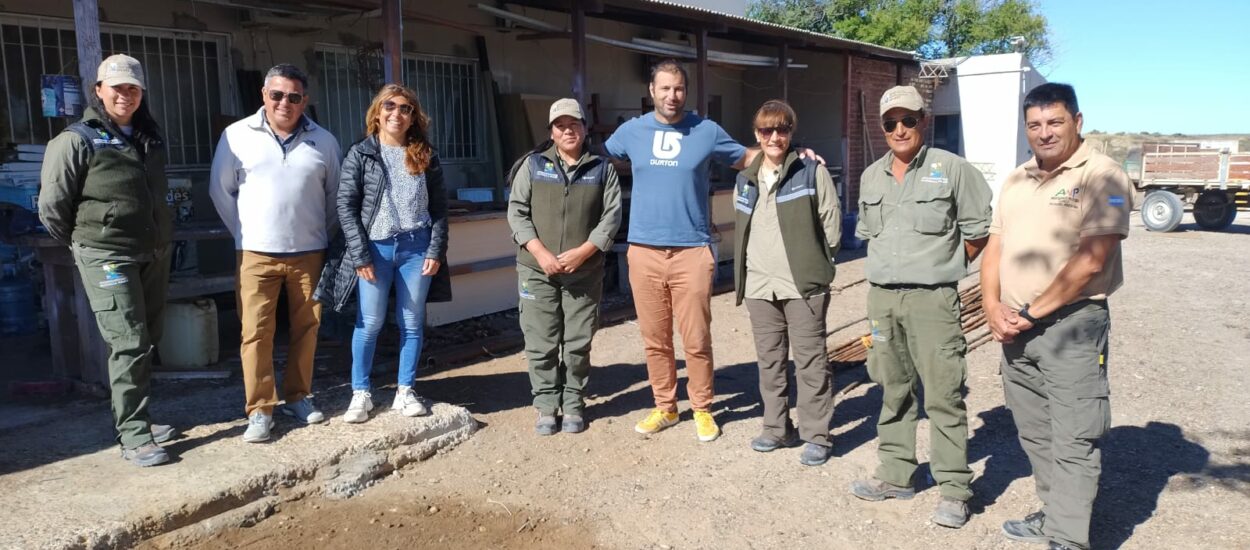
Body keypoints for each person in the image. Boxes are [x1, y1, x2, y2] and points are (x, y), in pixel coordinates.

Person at [983, 83, 1132, 550]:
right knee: (1035, 432)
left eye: (1055, 122)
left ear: (1077, 121)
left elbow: (1091, 259)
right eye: (1035, 125)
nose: (1044, 133)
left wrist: (1030, 311)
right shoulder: (1016, 179)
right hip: (1015, 330)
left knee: (1073, 436)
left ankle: (1068, 538)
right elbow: (994, 246)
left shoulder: (1102, 176)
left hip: (1072, 326)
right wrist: (992, 307)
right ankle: (1053, 515)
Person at [848, 85, 992, 529]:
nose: (899, 129)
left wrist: (943, 267)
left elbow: (979, 232)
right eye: (890, 122)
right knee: (892, 388)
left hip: (933, 300)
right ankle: (896, 474)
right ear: (882, 125)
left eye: (907, 119)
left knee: (944, 394)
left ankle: (953, 488)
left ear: (923, 120)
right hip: (883, 299)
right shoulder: (870, 176)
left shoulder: (952, 170)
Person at [38, 54, 177, 467]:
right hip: (108, 257)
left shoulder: (149, 137)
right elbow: (52, 208)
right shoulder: (77, 139)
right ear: (98, 90)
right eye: (116, 87)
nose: (125, 94)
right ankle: (134, 437)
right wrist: (89, 246)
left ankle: (139, 417)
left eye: (132, 88)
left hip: (151, 252)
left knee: (148, 337)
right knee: (129, 341)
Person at [209, 63, 341, 442]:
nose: (285, 102)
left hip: (309, 252)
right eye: (277, 94)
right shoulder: (236, 136)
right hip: (255, 254)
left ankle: (299, 395)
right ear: (264, 96)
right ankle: (261, 409)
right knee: (255, 332)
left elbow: (334, 197)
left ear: (305, 101)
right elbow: (221, 191)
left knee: (307, 328)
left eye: (294, 96)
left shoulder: (324, 142)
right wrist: (245, 234)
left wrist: (319, 232)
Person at [314, 84, 451, 424]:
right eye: (390, 106)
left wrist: (435, 248)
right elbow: (346, 206)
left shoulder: (425, 154)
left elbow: (440, 208)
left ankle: (405, 391)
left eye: (405, 108)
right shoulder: (361, 153)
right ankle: (361, 393)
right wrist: (360, 255)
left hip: (416, 248)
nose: (397, 113)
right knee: (370, 322)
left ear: (413, 116)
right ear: (377, 112)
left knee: (411, 322)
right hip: (375, 248)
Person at [732, 100, 841, 465]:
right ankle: (777, 428)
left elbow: (832, 225)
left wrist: (817, 267)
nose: (774, 137)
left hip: (802, 286)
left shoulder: (811, 173)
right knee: (770, 361)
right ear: (757, 135)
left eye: (782, 129)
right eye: (767, 130)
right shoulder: (745, 180)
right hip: (760, 287)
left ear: (791, 132)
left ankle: (817, 435)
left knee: (811, 361)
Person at [506, 98, 622, 435]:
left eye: (574, 125)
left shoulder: (602, 169)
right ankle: (546, 405)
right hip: (536, 269)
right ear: (552, 133)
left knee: (577, 341)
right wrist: (540, 252)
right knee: (540, 340)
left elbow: (610, 218)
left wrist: (584, 252)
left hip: (583, 272)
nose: (568, 130)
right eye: (561, 126)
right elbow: (517, 212)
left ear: (585, 129)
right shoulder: (532, 166)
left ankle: (573, 402)